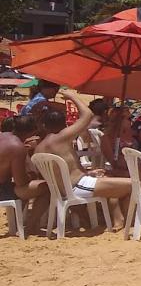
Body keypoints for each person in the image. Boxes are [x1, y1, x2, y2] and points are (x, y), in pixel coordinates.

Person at [34, 95, 132, 230]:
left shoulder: (38, 149)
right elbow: (87, 114)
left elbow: (61, 170)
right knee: (133, 184)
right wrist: (71, 96)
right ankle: (126, 221)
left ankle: (117, 218)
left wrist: (88, 173)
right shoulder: (62, 137)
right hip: (79, 187)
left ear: (44, 126)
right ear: (64, 125)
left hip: (65, 189)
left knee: (109, 178)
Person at [0, 114, 49, 234]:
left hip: (3, 185)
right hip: (2, 190)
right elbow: (21, 181)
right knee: (47, 188)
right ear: (30, 133)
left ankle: (17, 223)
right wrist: (32, 175)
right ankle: (31, 226)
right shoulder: (17, 146)